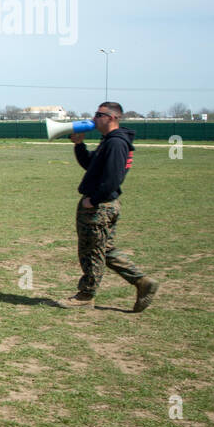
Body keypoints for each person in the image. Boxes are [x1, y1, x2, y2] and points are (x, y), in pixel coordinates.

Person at [58, 102, 158, 312]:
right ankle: (142, 282)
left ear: (112, 117)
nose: (94, 118)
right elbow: (90, 165)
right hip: (104, 204)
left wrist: (93, 201)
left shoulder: (116, 143)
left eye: (98, 115)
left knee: (91, 251)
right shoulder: (110, 141)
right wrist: (79, 145)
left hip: (99, 207)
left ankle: (86, 295)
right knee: (105, 249)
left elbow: (113, 178)